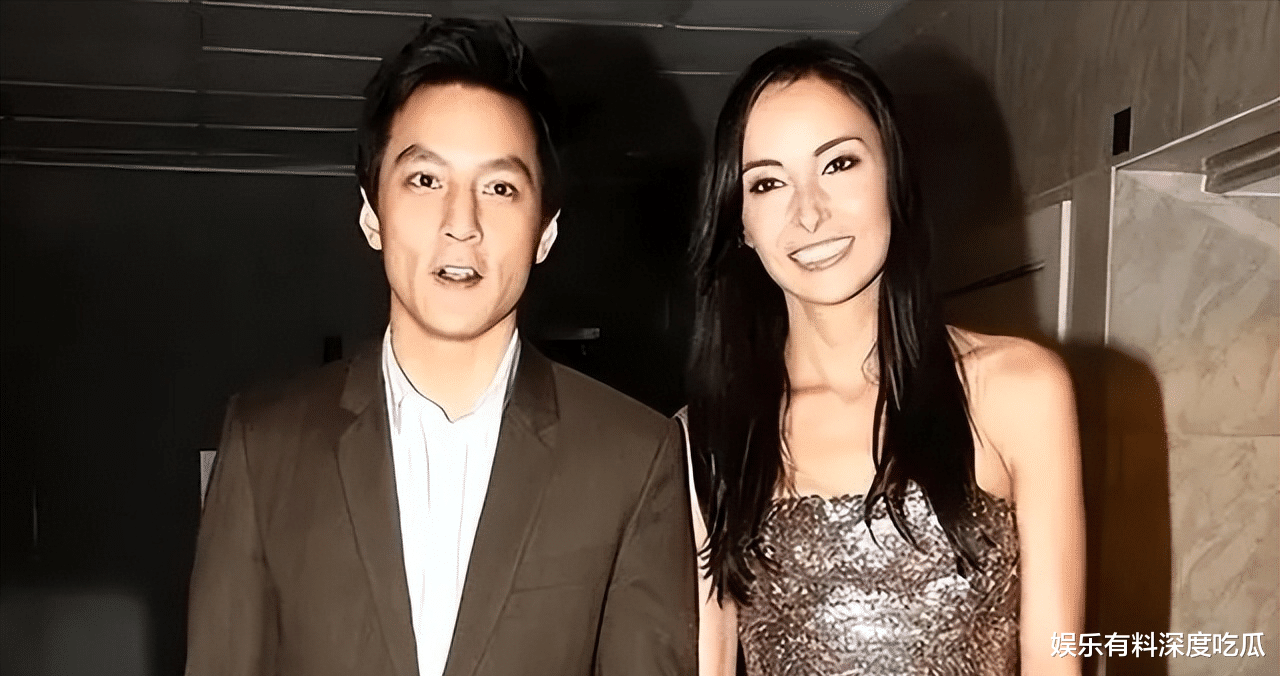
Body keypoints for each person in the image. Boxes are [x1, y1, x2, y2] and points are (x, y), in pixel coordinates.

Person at [186, 18, 696, 676]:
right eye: (426, 180)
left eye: (499, 188)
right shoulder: (266, 446)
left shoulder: (634, 457)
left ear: (545, 232)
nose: (462, 224)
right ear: (372, 214)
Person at [683, 39, 1085, 675]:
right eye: (767, 183)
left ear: (894, 177)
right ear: (740, 224)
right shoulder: (705, 433)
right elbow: (708, 662)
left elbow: (1057, 660)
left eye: (839, 164)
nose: (809, 213)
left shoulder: (1019, 389)